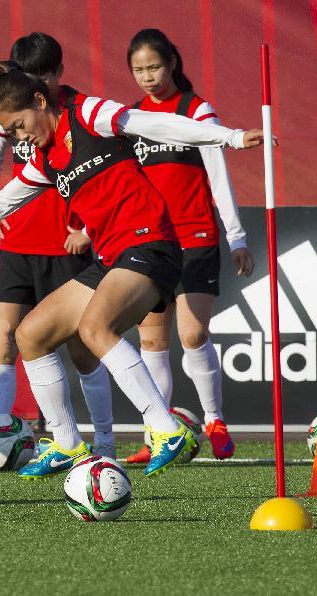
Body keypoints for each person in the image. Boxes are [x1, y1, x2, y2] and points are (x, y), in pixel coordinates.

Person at [0, 61, 267, 478]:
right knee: (30, 334)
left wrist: (228, 137)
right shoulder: (45, 160)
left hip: (150, 242)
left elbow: (155, 124)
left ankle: (166, 429)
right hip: (111, 258)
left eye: (20, 124)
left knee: (93, 330)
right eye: (11, 133)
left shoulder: (88, 115)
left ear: (39, 101)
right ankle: (68, 444)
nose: (20, 136)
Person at [0, 33, 115, 459]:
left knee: (82, 349)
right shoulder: (15, 113)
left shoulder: (80, 112)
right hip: (18, 245)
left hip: (66, 247)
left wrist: (89, 229)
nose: (35, 83)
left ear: (58, 74)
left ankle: (105, 441)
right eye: (26, 75)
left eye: (43, 75)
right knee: (5, 336)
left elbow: (109, 173)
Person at [123, 29, 253, 463]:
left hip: (196, 235)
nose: (147, 77)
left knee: (194, 334)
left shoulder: (198, 111)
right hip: (151, 244)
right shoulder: (130, 117)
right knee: (152, 343)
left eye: (154, 67)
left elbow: (218, 174)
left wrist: (236, 237)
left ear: (172, 63)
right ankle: (157, 433)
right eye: (138, 70)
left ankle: (214, 419)